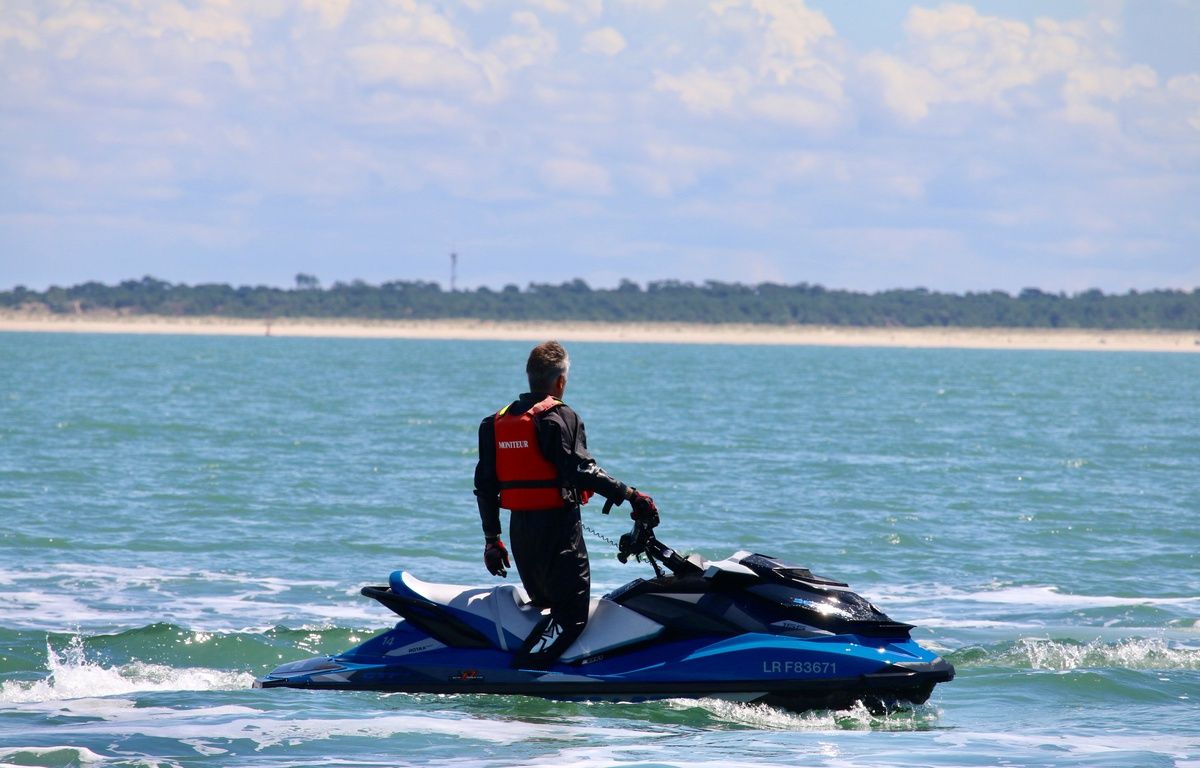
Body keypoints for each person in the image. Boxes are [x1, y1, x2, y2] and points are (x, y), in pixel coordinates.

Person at [474, 340, 658, 669]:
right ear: (560, 382)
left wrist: (492, 540)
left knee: (545, 605)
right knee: (571, 616)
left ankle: (545, 667)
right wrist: (632, 496)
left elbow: (484, 487)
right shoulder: (560, 417)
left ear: (530, 377)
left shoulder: (494, 424)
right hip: (559, 537)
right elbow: (582, 470)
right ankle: (525, 672)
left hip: (521, 537)